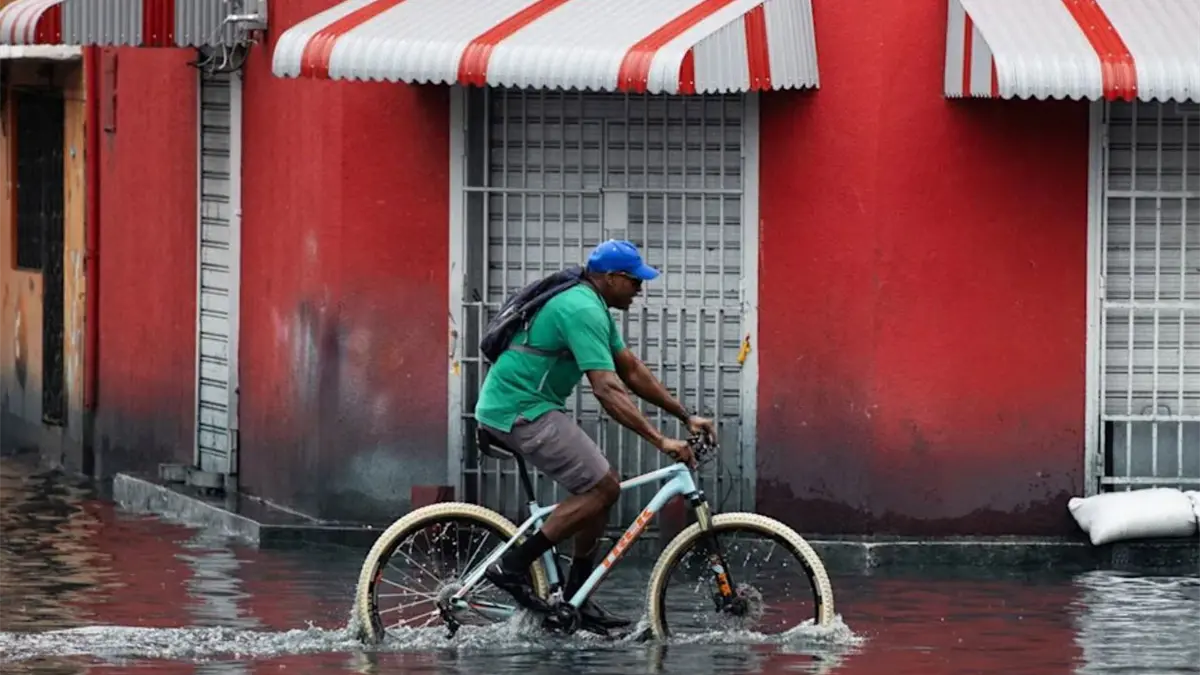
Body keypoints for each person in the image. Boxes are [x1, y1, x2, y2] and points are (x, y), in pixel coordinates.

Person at [474, 239, 717, 630]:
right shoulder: (581, 308)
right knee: (604, 487)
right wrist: (660, 441)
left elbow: (631, 371)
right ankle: (512, 565)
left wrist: (685, 416)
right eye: (634, 281)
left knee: (602, 489)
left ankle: (577, 598)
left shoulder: (594, 307)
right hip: (518, 411)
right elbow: (606, 389)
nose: (640, 289)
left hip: (531, 407)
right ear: (610, 278)